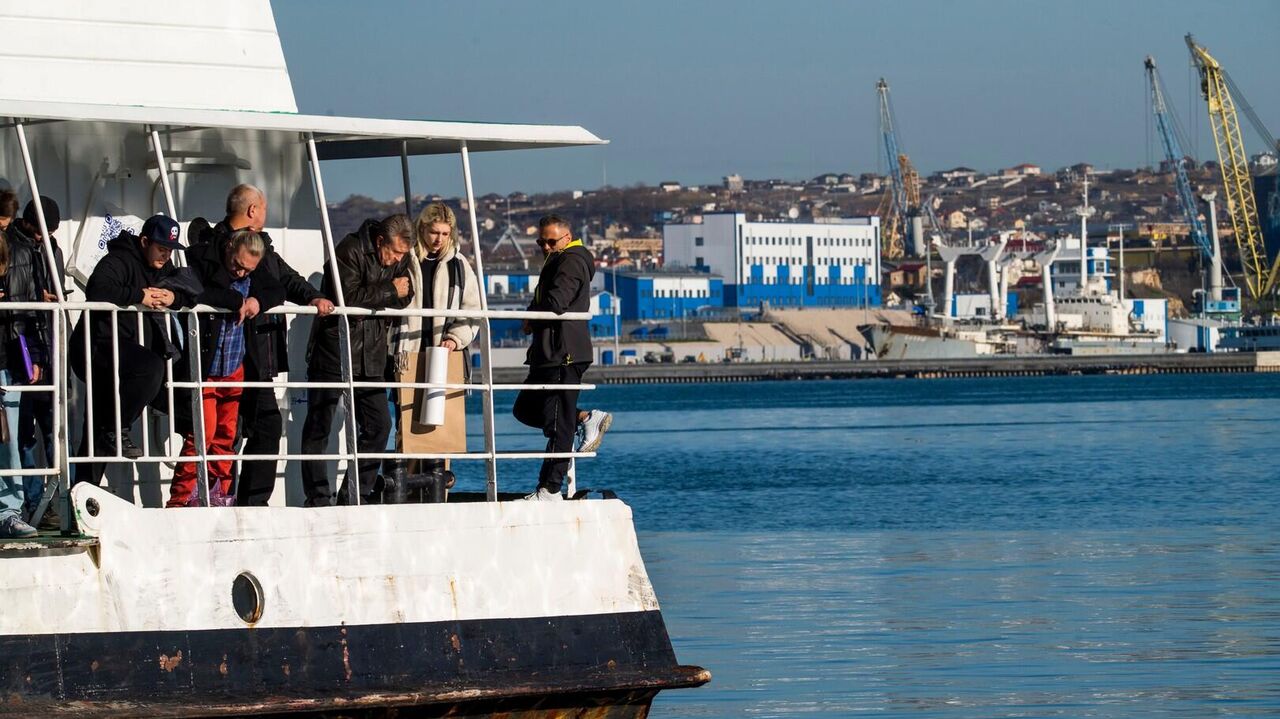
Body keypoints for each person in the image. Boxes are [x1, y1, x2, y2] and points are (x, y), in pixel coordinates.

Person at [195, 184, 334, 506]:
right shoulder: (214, 248)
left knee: (264, 426)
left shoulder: (264, 248)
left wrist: (312, 296)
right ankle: (217, 498)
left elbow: (282, 281)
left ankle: (250, 501)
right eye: (264, 208)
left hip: (257, 356)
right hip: (222, 357)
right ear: (252, 211)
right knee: (217, 433)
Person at [69, 215, 193, 487]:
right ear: (145, 241)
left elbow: (193, 288)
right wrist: (140, 295)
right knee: (150, 368)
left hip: (125, 351)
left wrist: (173, 298)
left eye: (170, 249)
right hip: (97, 348)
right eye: (162, 248)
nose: (166, 254)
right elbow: (98, 288)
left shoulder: (163, 266)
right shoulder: (119, 260)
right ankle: (114, 428)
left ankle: (82, 493)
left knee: (101, 423)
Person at [166, 229, 284, 507]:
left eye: (248, 270)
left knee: (226, 437)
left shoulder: (253, 272)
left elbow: (278, 289)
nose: (241, 273)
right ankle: (179, 500)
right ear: (230, 247)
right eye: (237, 265)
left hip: (234, 366)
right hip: (206, 366)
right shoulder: (200, 259)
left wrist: (257, 301)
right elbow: (195, 291)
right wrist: (236, 301)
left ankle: (218, 493)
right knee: (202, 434)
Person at [300, 214, 412, 506]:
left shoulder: (400, 257)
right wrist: (388, 290)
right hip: (333, 350)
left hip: (371, 354)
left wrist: (382, 295)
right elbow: (348, 297)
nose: (396, 261)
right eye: (394, 253)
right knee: (319, 426)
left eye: (402, 255)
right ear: (379, 242)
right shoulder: (348, 250)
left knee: (379, 426)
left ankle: (353, 495)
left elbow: (406, 294)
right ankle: (318, 497)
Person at [512, 215, 611, 502]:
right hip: (549, 352)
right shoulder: (559, 259)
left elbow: (556, 302)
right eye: (540, 241)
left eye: (551, 241)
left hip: (563, 353)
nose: (545, 246)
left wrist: (533, 314)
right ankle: (585, 417)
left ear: (567, 237)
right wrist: (533, 313)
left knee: (558, 421)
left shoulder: (570, 260)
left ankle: (550, 489)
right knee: (526, 409)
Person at [388, 202, 481, 501]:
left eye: (445, 232)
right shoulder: (405, 260)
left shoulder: (459, 265)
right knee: (406, 422)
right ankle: (407, 485)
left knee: (441, 424)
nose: (439, 238)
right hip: (408, 350)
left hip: (443, 352)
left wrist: (455, 338)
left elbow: (472, 310)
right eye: (433, 232)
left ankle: (437, 488)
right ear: (422, 230)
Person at [7, 197, 64, 524]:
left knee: (54, 430)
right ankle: (33, 505)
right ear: (26, 222)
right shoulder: (13, 247)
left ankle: (52, 502)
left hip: (49, 346)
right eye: (40, 230)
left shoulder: (51, 247)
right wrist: (31, 357)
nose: (45, 236)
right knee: (24, 434)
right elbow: (18, 308)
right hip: (25, 352)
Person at [0, 190, 37, 538]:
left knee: (8, 441)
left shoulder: (20, 252)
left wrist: (34, 355)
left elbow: (26, 311)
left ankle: (9, 510)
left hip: (5, 359)